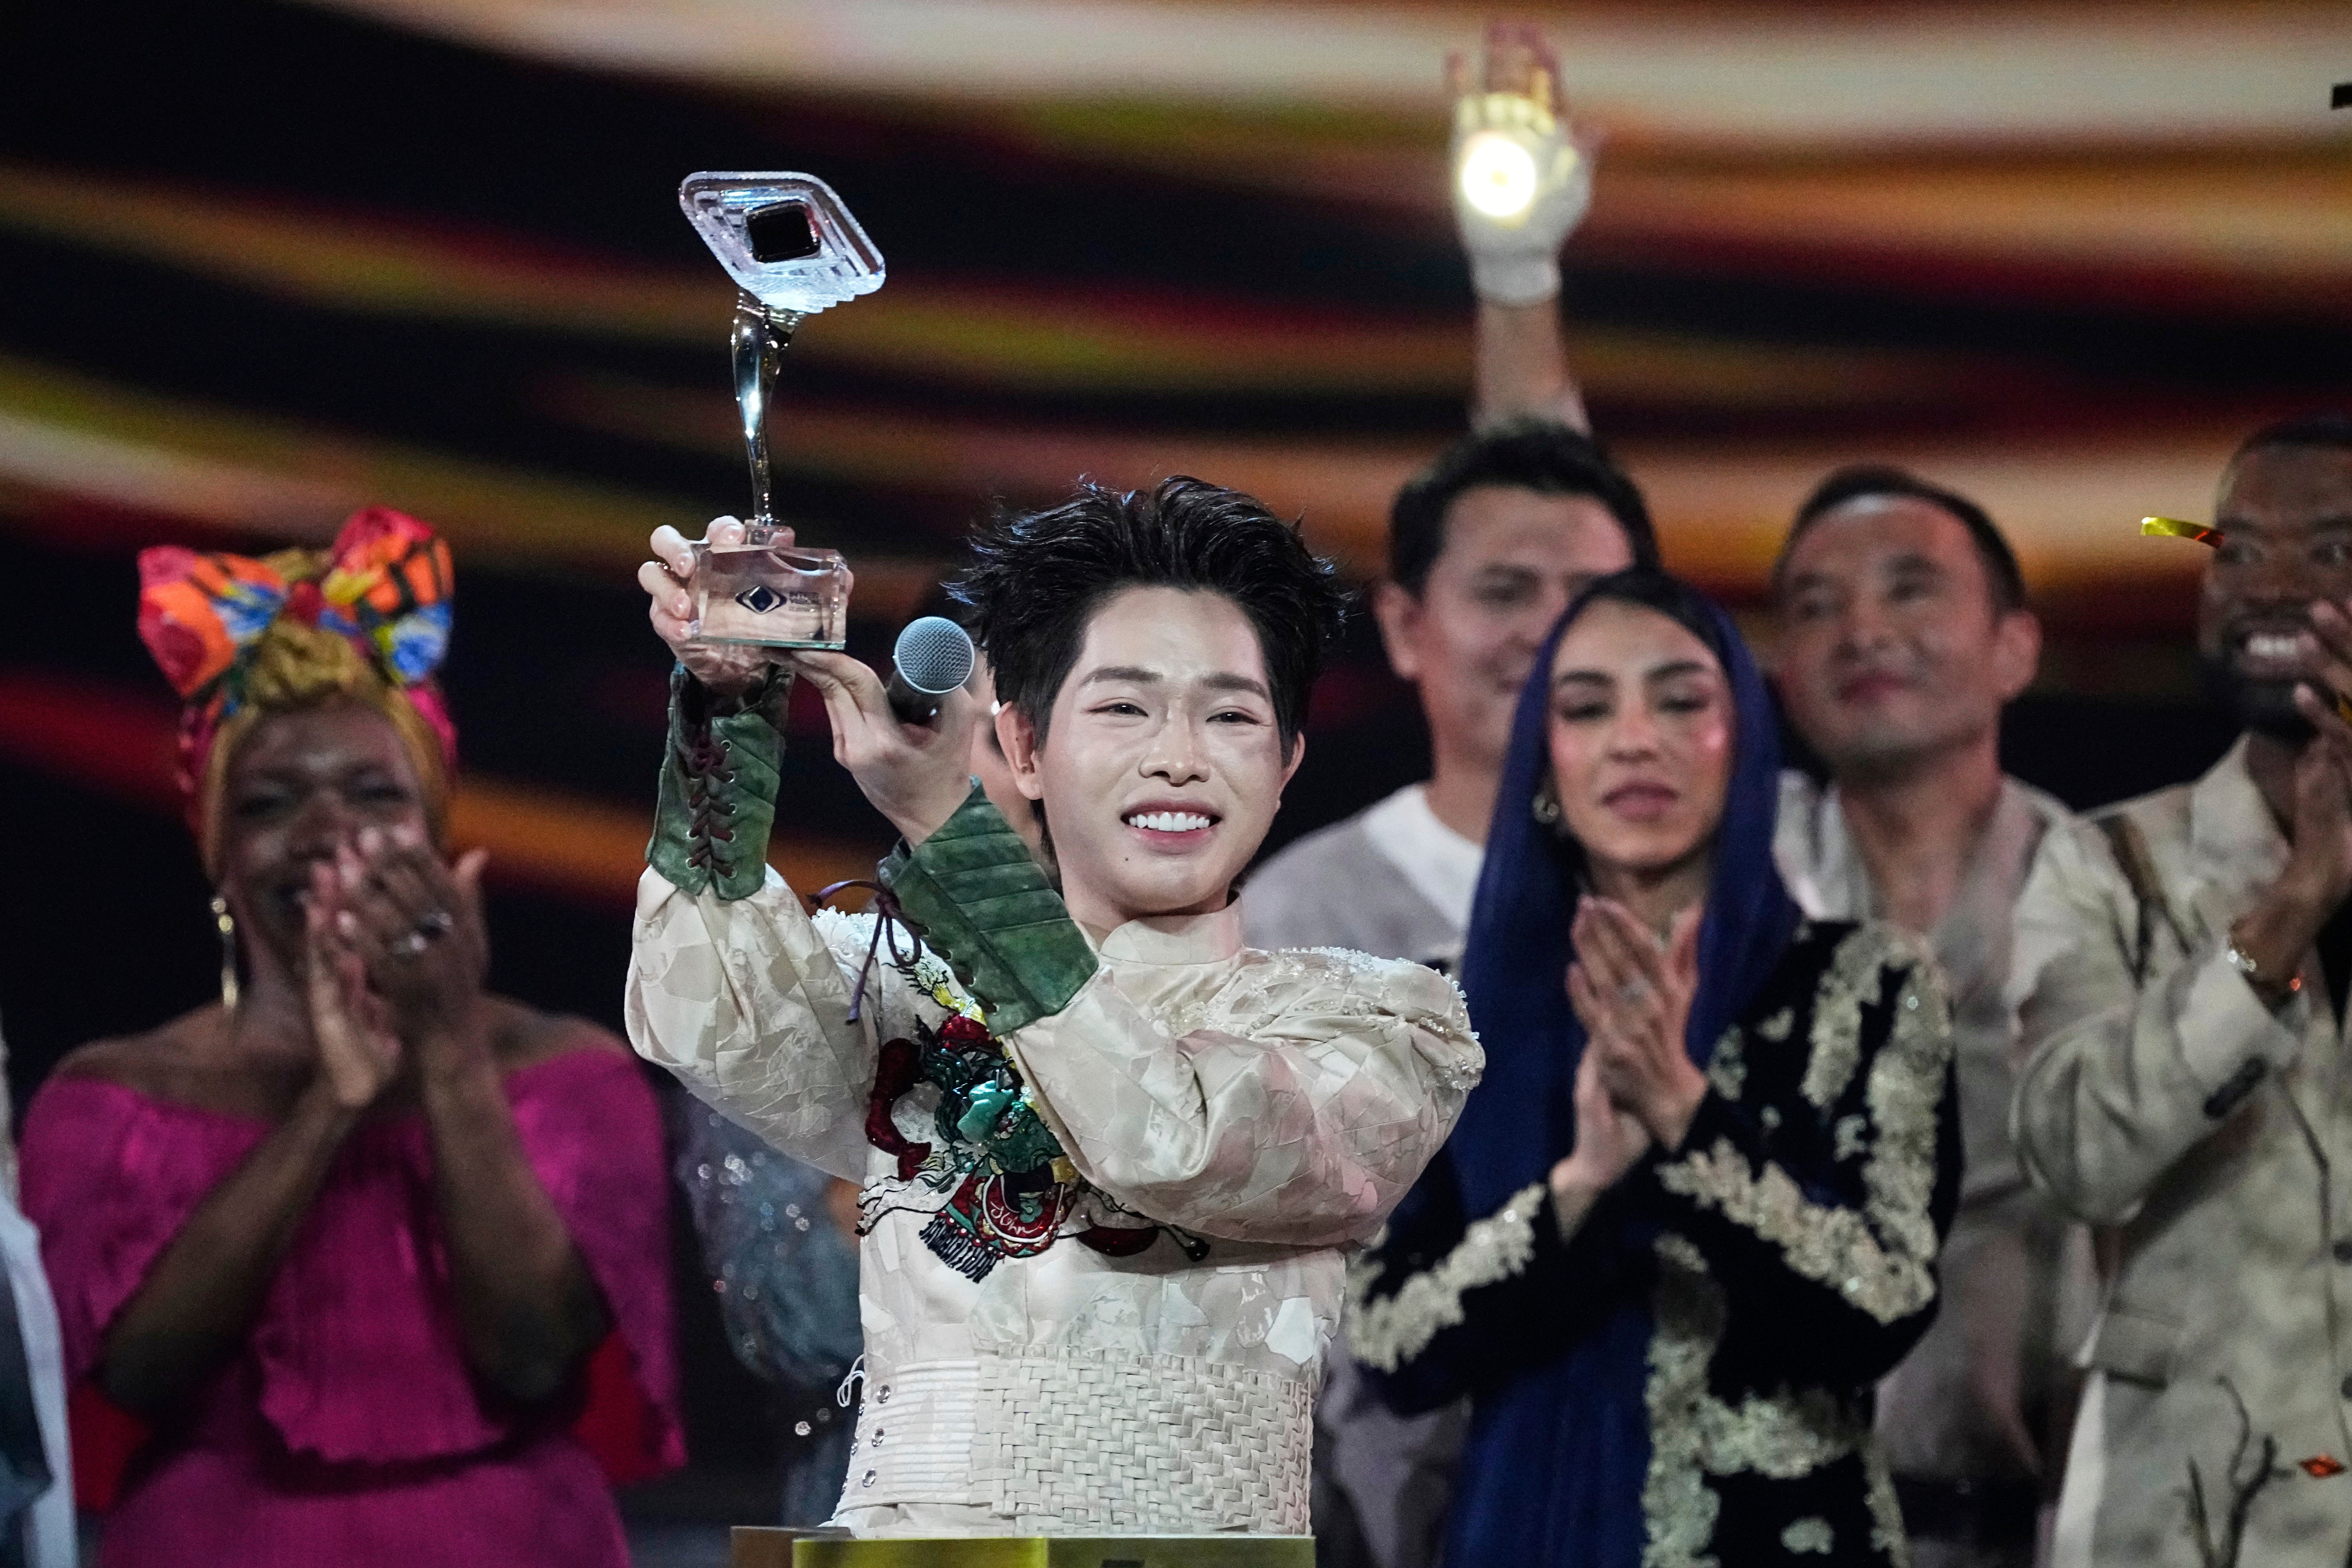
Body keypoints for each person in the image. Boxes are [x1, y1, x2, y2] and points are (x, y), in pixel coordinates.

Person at [627, 481, 1482, 1536]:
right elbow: (699, 1012)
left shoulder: (1379, 1028)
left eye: (1231, 715)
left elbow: (1177, 1139)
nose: (1178, 754)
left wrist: (954, 840)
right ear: (1024, 747)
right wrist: (729, 705)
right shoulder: (904, 991)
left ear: (1288, 760)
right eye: (1123, 706)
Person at [20, 510, 681, 1568]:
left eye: (374, 793)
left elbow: (533, 1357)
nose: (327, 829)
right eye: (272, 802)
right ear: (218, 851)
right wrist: (331, 1100)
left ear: (437, 826)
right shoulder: (114, 1097)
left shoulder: (569, 1076)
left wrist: (446, 1044)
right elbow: (137, 1378)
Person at [1349, 566, 1962, 1566]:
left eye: (1682, 700)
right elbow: (1388, 1346)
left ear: (1748, 747)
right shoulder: (1442, 1014)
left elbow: (1882, 1306)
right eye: (1588, 708)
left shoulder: (1866, 986)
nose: (1637, 738)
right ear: (1544, 770)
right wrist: (1579, 1188)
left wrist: (1685, 1117)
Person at [2012, 412, 2352, 1568]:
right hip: (2197, 1522)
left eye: (2331, 554)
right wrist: (2286, 915)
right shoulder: (2107, 863)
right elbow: (2069, 1153)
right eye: (2239, 551)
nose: (2272, 587)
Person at [674, 586, 1037, 1530]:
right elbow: (798, 1319)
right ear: (914, 742)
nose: (1044, 781)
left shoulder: (1193, 993)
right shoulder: (813, 988)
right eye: (1005, 740)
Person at [1772, 466, 2082, 1565]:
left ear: (2016, 647)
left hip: (2029, 1526)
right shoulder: (1722, 899)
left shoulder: (2124, 900)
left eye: (1910, 590)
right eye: (1815, 606)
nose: (1861, 628)